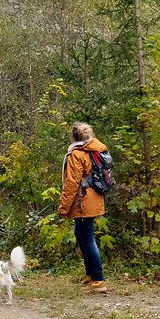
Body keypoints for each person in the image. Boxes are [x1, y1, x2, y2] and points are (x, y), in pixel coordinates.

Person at [58, 122, 110, 293]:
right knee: (80, 234)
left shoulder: (76, 154)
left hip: (83, 200)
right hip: (94, 198)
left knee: (87, 238)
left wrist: (64, 207)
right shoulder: (96, 149)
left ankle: (98, 279)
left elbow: (72, 182)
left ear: (74, 136)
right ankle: (90, 274)